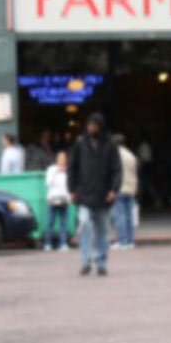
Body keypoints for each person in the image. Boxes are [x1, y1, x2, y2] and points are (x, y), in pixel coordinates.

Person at [68, 113, 122, 276]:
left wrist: (114, 189)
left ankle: (101, 262)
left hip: (104, 195)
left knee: (103, 231)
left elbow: (116, 169)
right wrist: (72, 190)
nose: (91, 128)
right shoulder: (80, 143)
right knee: (84, 225)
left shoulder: (110, 144)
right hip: (84, 194)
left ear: (101, 126)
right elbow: (72, 168)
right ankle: (85, 261)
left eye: (94, 125)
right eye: (89, 125)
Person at [112, 133, 139, 250]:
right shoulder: (131, 155)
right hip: (131, 187)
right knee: (129, 216)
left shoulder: (115, 155)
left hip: (119, 188)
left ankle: (122, 241)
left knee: (119, 215)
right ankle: (130, 241)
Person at [44, 151, 71, 252]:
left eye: (64, 158)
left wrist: (69, 198)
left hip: (64, 198)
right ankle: (48, 243)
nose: (62, 160)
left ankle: (63, 243)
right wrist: (56, 172)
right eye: (60, 158)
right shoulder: (52, 169)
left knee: (63, 223)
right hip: (53, 198)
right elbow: (48, 182)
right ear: (57, 159)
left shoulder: (68, 170)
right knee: (50, 222)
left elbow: (69, 186)